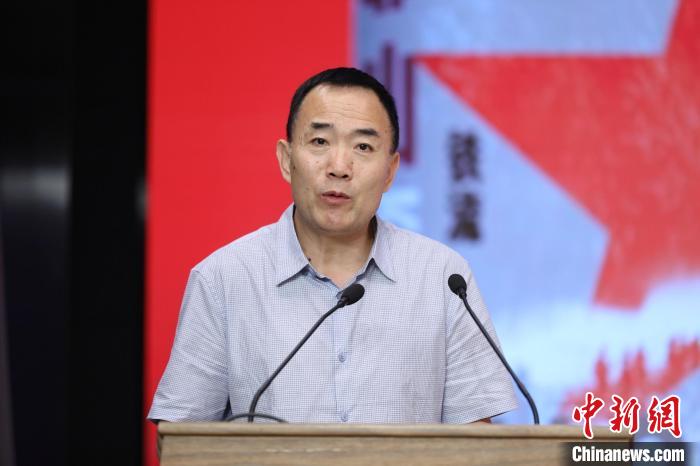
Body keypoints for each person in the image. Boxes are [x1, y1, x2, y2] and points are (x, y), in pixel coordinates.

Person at [148, 67, 517, 424]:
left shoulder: (442, 277)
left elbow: (474, 440)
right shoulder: (224, 279)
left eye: (363, 146)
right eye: (320, 142)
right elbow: (181, 438)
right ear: (286, 160)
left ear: (390, 171)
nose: (339, 167)